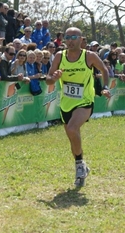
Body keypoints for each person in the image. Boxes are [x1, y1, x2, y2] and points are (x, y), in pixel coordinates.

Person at [46, 27, 111, 187]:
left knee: (73, 128)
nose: (70, 40)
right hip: (66, 103)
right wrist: (53, 78)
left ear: (81, 39)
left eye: (73, 37)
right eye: (67, 37)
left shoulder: (89, 56)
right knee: (72, 136)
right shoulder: (60, 57)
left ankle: (79, 167)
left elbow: (104, 70)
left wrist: (105, 87)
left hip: (85, 101)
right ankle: (81, 163)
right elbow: (48, 79)